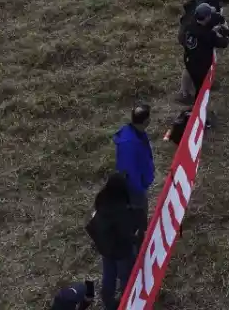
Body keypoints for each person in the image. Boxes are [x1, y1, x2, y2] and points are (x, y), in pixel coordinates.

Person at [86, 172, 143, 310]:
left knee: (109, 276)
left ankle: (109, 302)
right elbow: (127, 233)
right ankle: (127, 302)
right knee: (125, 277)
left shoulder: (102, 199)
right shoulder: (121, 211)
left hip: (105, 248)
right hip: (121, 251)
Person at [181, 3, 229, 127]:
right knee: (201, 94)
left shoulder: (189, 26)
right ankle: (199, 117)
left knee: (197, 88)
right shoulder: (207, 35)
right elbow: (223, 43)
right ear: (207, 17)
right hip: (200, 67)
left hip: (189, 61)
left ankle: (190, 101)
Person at [176, 0, 229, 103]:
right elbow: (220, 38)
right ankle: (184, 92)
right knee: (192, 63)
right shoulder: (208, 14)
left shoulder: (205, 3)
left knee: (191, 61)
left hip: (186, 32)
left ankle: (188, 89)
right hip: (187, 36)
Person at [113, 104, 154, 228]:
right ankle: (140, 237)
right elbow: (129, 172)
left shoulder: (137, 133)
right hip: (135, 188)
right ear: (147, 121)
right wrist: (139, 189)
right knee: (138, 212)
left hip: (140, 184)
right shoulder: (129, 144)